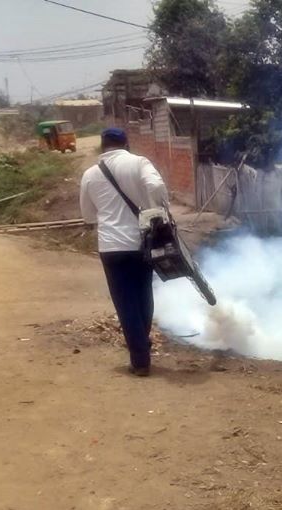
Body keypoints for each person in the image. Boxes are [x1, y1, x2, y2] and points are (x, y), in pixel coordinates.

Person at [80, 128, 170, 377]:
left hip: (111, 247)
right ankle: (142, 345)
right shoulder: (139, 163)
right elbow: (156, 185)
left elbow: (88, 215)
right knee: (144, 296)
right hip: (142, 242)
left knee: (125, 302)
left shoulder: (90, 174)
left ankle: (140, 360)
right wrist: (158, 209)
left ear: (102, 146)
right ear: (126, 144)